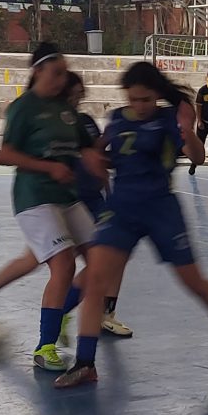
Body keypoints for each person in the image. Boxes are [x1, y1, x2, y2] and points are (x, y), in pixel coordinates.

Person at [55, 61, 208, 389]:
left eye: (146, 99)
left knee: (192, 281)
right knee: (96, 280)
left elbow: (199, 158)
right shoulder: (117, 119)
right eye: (134, 99)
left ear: (156, 96)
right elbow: (99, 151)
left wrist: (187, 132)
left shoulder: (168, 121)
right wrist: (92, 158)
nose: (140, 105)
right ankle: (86, 363)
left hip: (161, 209)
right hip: (122, 209)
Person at [0, 43, 98, 372]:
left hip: (67, 196)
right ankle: (45, 346)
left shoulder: (67, 112)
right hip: (34, 197)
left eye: (65, 73)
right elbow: (2, 155)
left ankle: (2, 294)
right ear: (38, 70)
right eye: (57, 73)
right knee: (62, 266)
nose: (63, 79)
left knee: (102, 263)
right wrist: (48, 167)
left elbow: (90, 149)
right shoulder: (24, 108)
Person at [60, 71, 133, 339]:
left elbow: (101, 158)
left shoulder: (86, 122)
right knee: (96, 263)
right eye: (75, 93)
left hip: (96, 199)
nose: (79, 97)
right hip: (71, 202)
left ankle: (105, 314)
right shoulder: (58, 126)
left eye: (82, 93)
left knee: (117, 255)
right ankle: (61, 313)